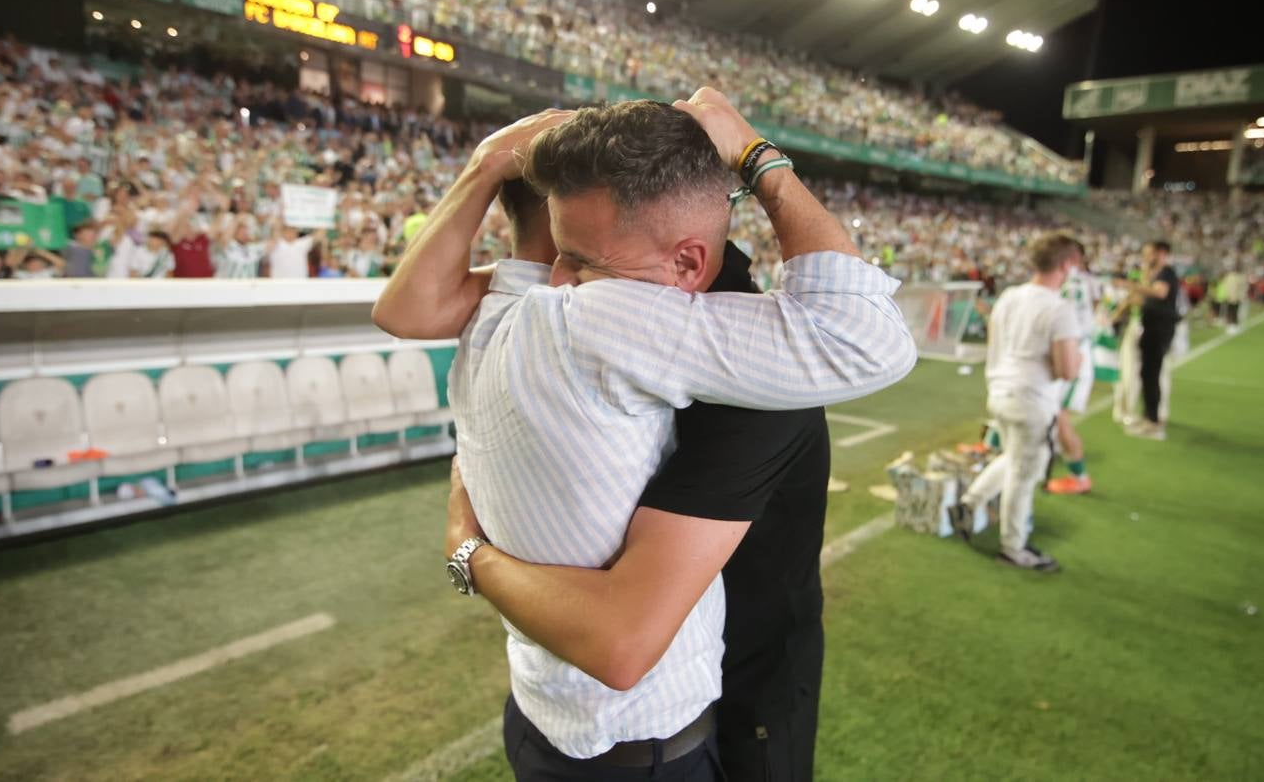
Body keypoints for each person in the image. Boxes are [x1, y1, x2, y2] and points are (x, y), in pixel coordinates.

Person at [375, 92, 917, 780]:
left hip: (541, 718)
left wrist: (484, 165)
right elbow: (867, 337)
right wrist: (759, 158)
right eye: (567, 257)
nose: (566, 283)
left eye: (585, 263)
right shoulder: (592, 318)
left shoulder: (499, 312)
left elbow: (404, 307)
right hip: (643, 744)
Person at [949, 232, 1083, 572]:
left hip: (1000, 391)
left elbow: (997, 341)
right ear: (1066, 264)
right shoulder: (1058, 307)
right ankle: (1014, 547)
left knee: (1013, 458)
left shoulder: (1010, 296)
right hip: (1032, 398)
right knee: (1024, 475)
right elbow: (1066, 369)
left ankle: (969, 502)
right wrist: (1078, 358)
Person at [1047, 242, 1098, 495]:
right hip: (1077, 347)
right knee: (1050, 413)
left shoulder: (1062, 281)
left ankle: (1080, 477)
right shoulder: (1088, 280)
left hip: (1073, 353)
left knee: (1059, 416)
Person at [1123, 241, 1179, 440]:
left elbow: (1159, 292)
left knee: (1153, 373)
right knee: (1146, 373)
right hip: (1150, 327)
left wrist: (1130, 285)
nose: (1146, 257)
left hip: (1159, 328)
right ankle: (1148, 417)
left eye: (1149, 253)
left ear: (1161, 253)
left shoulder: (1166, 272)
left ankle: (1154, 422)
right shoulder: (1153, 273)